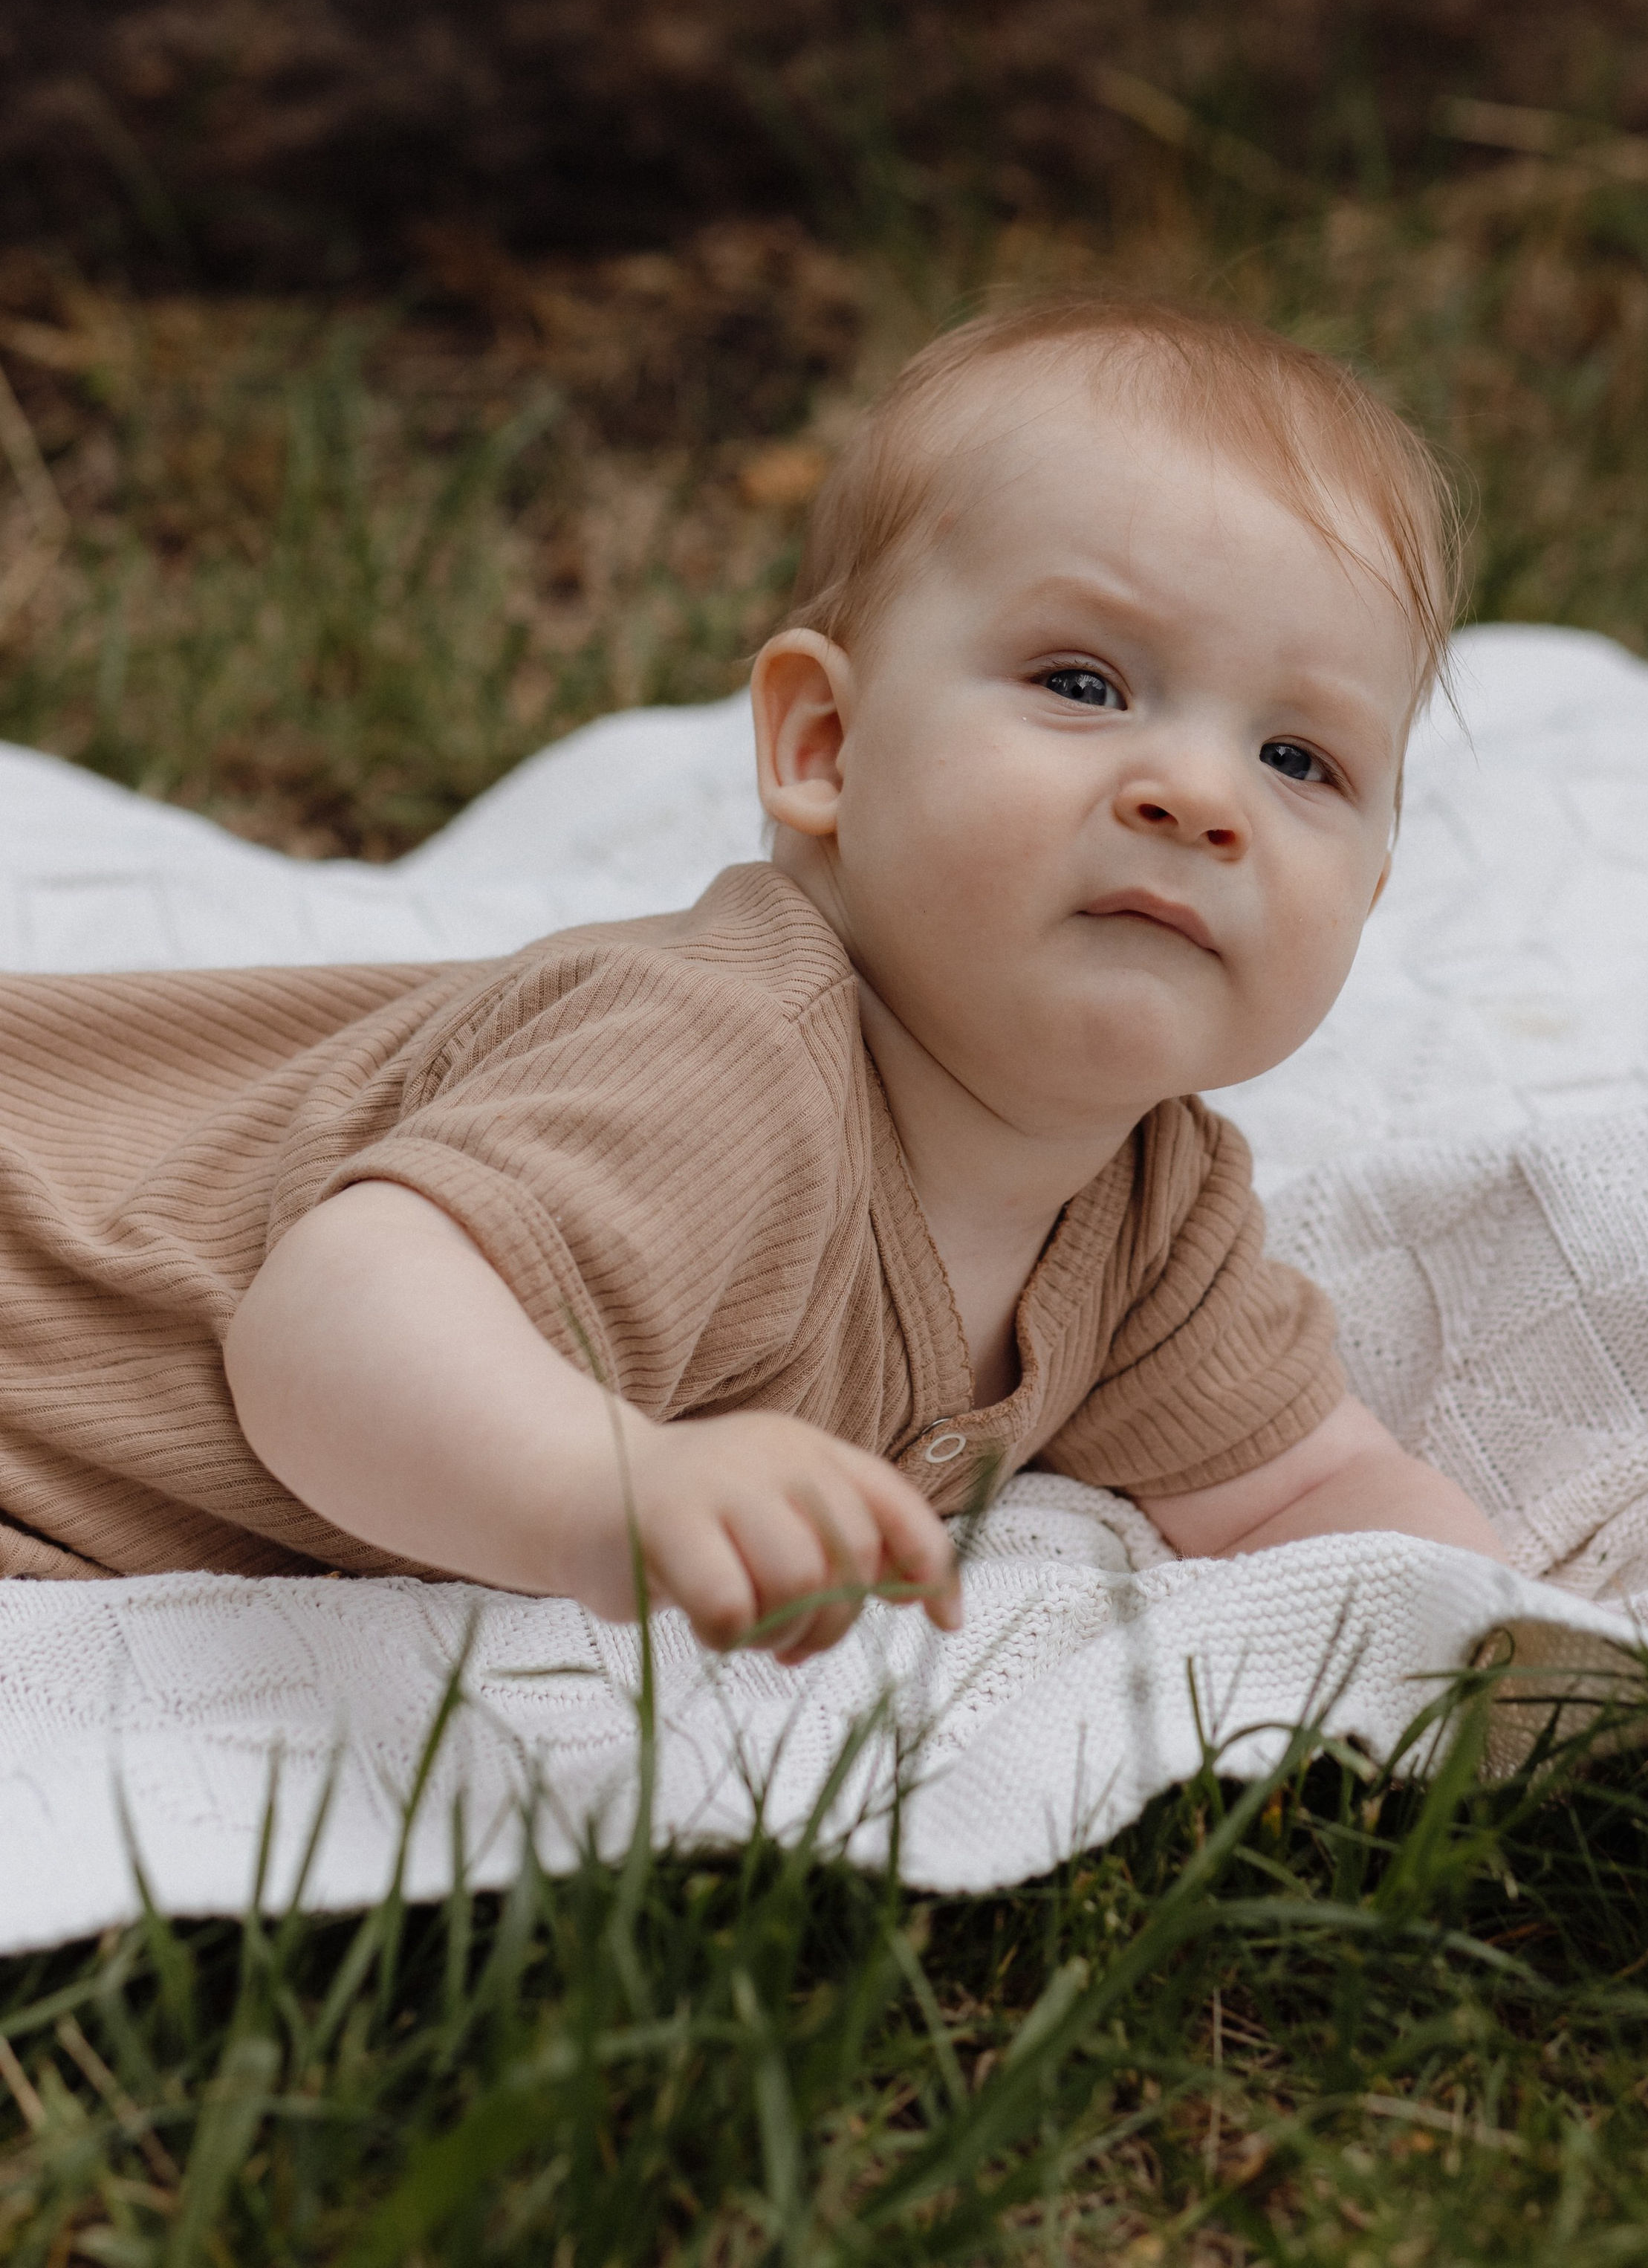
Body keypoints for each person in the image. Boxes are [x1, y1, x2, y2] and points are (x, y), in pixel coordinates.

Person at [0, 293, 1503, 1659]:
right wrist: (613, 1486)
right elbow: (331, 1330)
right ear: (822, 748)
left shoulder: (1151, 1215)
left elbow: (1297, 1486)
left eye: (1296, 758)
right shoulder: (725, 1056)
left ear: (1370, 888)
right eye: (1082, 684)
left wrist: (1490, 1640)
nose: (1197, 793)